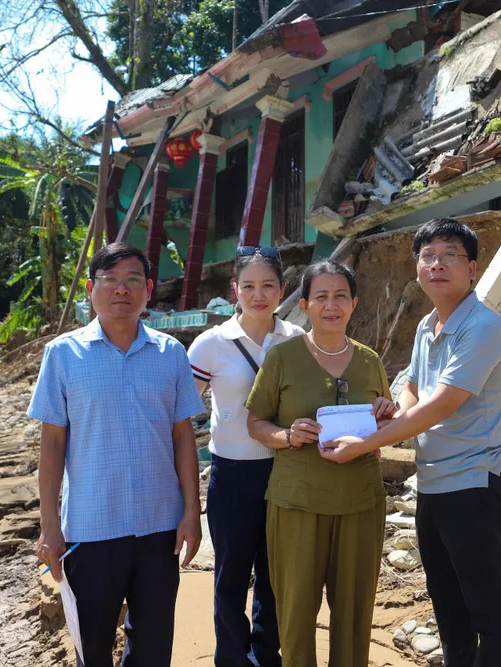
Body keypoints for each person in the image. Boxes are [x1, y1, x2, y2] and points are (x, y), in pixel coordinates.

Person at [319, 219, 501, 667]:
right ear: (417, 268)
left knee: (487, 610)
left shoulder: (482, 327)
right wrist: (392, 410)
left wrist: (367, 443)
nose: (437, 264)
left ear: (472, 268)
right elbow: (413, 388)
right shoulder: (428, 325)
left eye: (450, 255)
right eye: (428, 256)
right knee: (448, 606)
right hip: (432, 484)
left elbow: (441, 405)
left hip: (471, 485)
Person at [28, 242, 205, 667]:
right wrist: (49, 526)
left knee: (153, 650)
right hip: (91, 530)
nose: (121, 289)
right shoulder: (63, 355)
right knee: (92, 649)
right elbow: (52, 444)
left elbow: (183, 436)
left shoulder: (170, 353)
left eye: (132, 280)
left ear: (148, 290)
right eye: (110, 280)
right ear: (91, 289)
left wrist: (191, 512)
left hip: (160, 527)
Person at [245, 261, 397, 667]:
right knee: (295, 614)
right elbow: (256, 423)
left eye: (341, 296)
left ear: (354, 304)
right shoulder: (282, 358)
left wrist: (385, 413)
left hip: (360, 503)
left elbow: (382, 426)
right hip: (297, 503)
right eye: (321, 297)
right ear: (305, 305)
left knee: (354, 614)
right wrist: (288, 435)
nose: (331, 305)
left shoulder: (369, 361)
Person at [186, 247, 304, 667]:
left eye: (268, 285)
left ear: (282, 289)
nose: (258, 295)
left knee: (275, 575)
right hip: (232, 476)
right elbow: (180, 411)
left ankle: (266, 656)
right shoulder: (210, 344)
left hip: (286, 471)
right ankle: (233, 658)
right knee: (231, 575)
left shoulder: (297, 339)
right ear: (234, 289)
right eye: (249, 286)